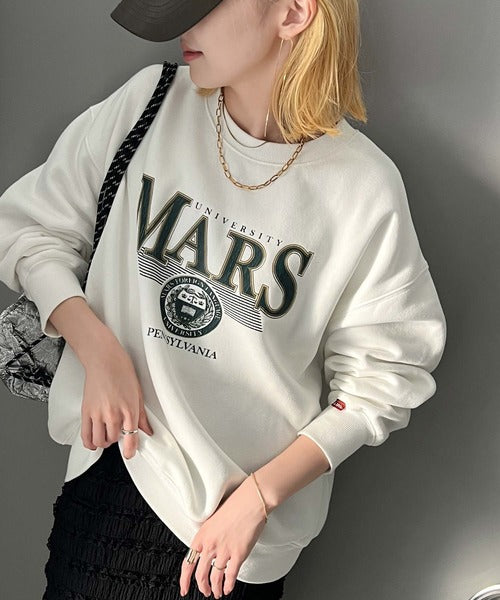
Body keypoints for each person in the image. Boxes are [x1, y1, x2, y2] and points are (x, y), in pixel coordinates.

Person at [0, 0, 447, 598]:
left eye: (206, 6)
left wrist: (259, 497)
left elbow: (385, 377)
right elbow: (30, 230)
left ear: (293, 13)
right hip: (113, 489)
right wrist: (98, 350)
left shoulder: (363, 188)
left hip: (237, 545)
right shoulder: (151, 104)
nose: (184, 27)